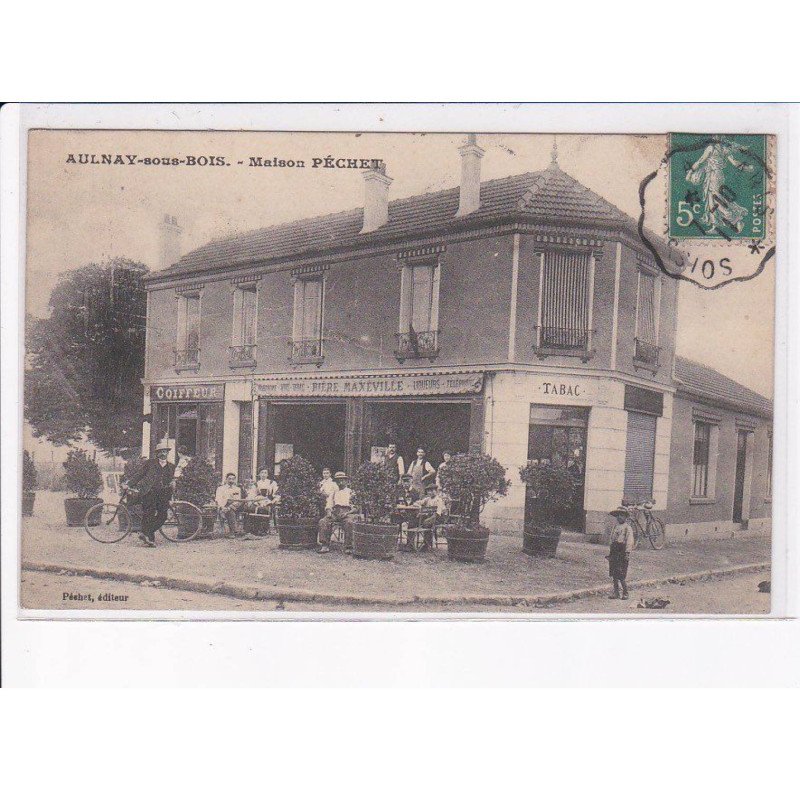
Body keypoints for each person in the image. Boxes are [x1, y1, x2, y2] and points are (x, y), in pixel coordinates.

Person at [123, 439, 176, 547]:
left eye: (165, 451)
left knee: (163, 516)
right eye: (160, 451)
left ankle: (145, 533)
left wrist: (171, 495)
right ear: (157, 453)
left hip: (163, 494)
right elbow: (139, 475)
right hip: (149, 492)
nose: (163, 453)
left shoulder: (171, 466)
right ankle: (150, 539)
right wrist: (129, 484)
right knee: (148, 515)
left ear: (167, 453)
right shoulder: (150, 463)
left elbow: (170, 482)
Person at [317, 471, 357, 554]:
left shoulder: (351, 492)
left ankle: (348, 547)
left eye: (342, 480)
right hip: (335, 512)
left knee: (349, 523)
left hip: (347, 512)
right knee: (323, 521)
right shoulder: (334, 492)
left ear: (346, 481)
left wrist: (347, 513)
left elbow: (355, 507)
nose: (340, 482)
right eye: (338, 480)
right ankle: (325, 545)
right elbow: (329, 505)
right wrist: (329, 512)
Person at [410, 478, 448, 552]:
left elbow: (438, 513)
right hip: (429, 517)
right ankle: (411, 544)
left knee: (427, 524)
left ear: (436, 491)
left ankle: (427, 545)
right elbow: (417, 502)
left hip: (438, 518)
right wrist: (419, 506)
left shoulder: (438, 500)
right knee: (414, 521)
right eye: (429, 491)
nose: (430, 492)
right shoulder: (428, 499)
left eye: (432, 490)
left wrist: (428, 519)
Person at [607, 507, 635, 599]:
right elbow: (611, 538)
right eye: (618, 515)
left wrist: (627, 553)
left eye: (622, 515)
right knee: (614, 574)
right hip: (615, 551)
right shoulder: (615, 526)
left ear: (626, 517)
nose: (619, 517)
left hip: (622, 552)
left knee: (621, 574)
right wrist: (611, 548)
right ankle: (616, 592)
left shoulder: (628, 528)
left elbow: (629, 541)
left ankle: (625, 592)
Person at [216, 472, 244, 537]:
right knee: (230, 512)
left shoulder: (237, 489)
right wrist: (223, 507)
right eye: (229, 479)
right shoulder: (220, 488)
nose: (231, 481)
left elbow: (238, 500)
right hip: (224, 506)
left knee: (232, 509)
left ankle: (235, 530)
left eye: (233, 479)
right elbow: (218, 499)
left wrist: (230, 506)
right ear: (226, 479)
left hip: (235, 505)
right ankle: (233, 531)